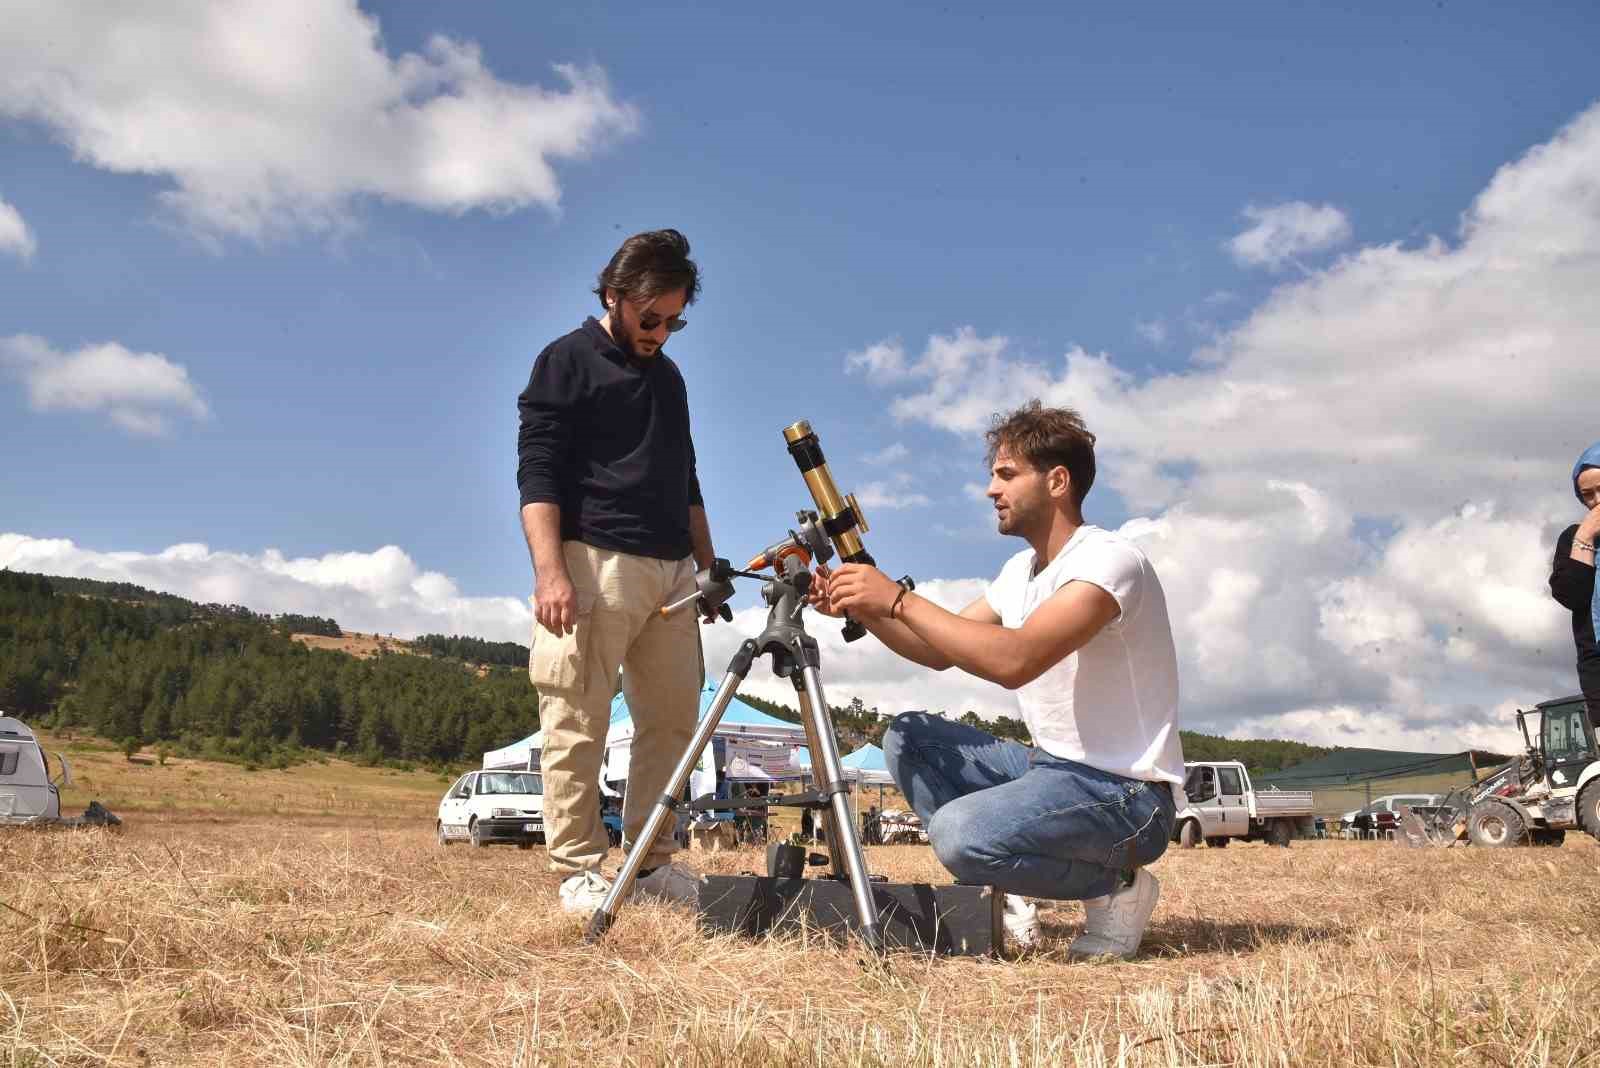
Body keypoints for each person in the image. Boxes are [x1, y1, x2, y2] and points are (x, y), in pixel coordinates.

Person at [816, 401, 1183, 959]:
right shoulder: (1019, 573)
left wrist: (895, 597)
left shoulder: (1109, 562)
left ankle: (1118, 886)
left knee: (960, 835)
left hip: (1128, 796)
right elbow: (935, 650)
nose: (991, 489)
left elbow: (1017, 659)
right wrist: (862, 607)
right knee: (908, 736)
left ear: (1057, 481)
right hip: (1052, 770)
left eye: (1006, 474)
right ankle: (1010, 886)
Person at [517, 229, 719, 915]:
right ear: (614, 295)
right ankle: (578, 867)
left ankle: (650, 862)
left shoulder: (669, 378)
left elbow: (687, 478)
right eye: (650, 317)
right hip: (593, 560)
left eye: (674, 320)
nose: (661, 332)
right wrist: (550, 573)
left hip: (673, 571)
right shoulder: (565, 361)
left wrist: (708, 566)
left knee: (672, 721)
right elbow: (537, 474)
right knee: (577, 713)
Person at [1549, 442, 1600, 726]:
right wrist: (1587, 536)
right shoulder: (1573, 537)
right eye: (1587, 495)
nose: (1596, 500)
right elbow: (1572, 596)